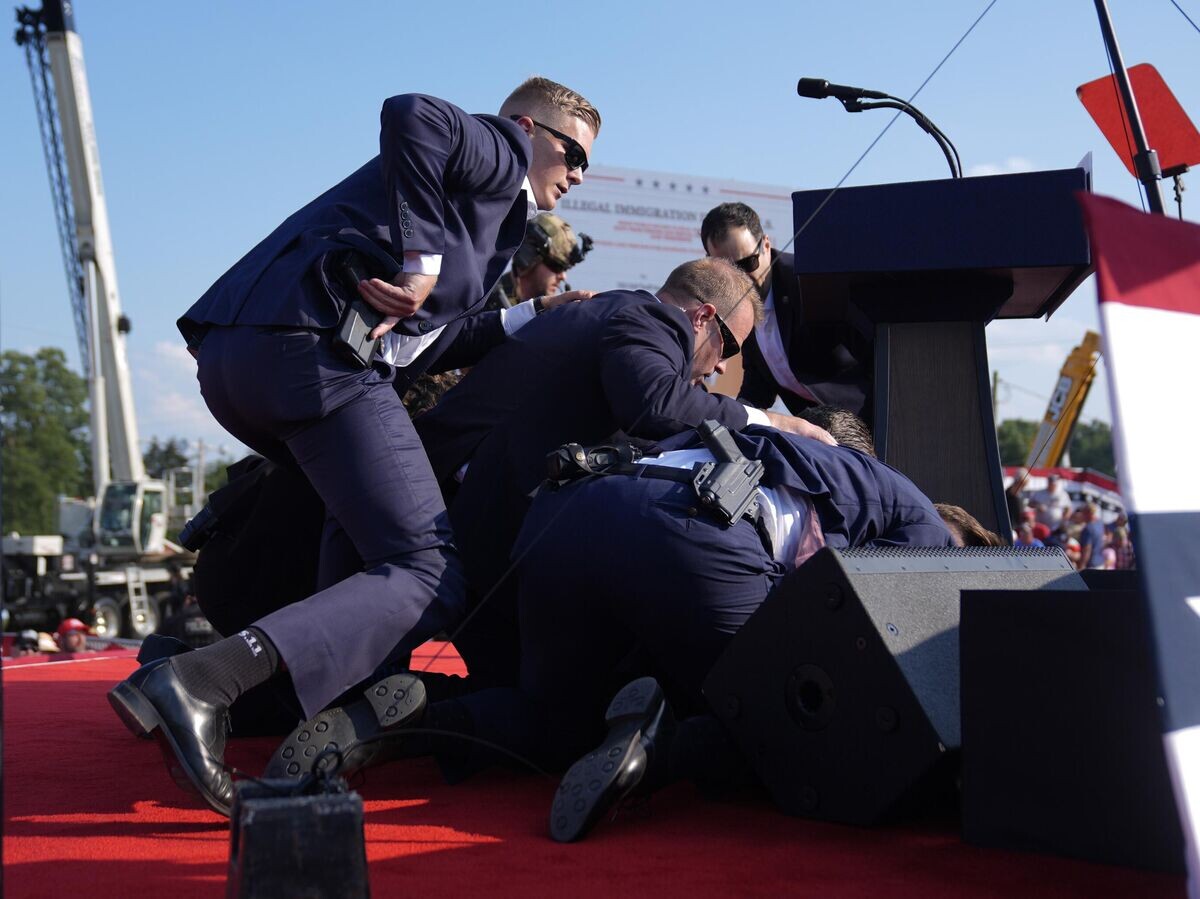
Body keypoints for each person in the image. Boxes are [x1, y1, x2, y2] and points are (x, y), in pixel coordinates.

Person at [108, 77, 602, 817]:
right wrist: (422, 258)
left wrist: (533, 313)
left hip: (245, 354)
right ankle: (201, 682)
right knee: (427, 569)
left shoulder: (492, 216)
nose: (579, 174)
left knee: (366, 539)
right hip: (308, 353)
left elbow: (418, 342)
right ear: (530, 129)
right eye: (573, 153)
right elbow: (413, 114)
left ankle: (294, 705)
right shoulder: (499, 151)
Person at [265, 423, 952, 824]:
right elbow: (870, 645)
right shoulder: (921, 515)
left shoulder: (782, 451)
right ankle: (656, 750)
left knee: (553, 719)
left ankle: (403, 718)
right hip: (696, 532)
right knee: (783, 724)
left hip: (574, 510)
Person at [701, 202, 871, 417]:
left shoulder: (810, 281)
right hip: (815, 427)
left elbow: (876, 351)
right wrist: (730, 419)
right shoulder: (735, 303)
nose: (739, 279)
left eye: (748, 263)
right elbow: (760, 383)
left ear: (765, 245)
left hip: (866, 418)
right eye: (727, 270)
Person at [483, 212, 594, 312]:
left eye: (565, 269)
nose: (563, 276)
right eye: (556, 266)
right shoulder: (483, 304)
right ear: (527, 257)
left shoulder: (554, 315)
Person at [1076, 502, 1107, 570]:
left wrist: (1081, 566)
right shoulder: (1100, 523)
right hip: (1100, 563)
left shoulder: (1088, 529)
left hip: (1091, 566)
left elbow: (1087, 549)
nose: (1082, 515)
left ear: (1088, 513)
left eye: (1083, 513)